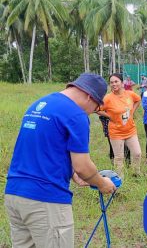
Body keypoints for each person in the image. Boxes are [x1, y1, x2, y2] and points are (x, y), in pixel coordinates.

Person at [4, 73, 116, 247]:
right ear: (89, 96)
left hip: (14, 194)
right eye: (95, 107)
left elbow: (43, 147)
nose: (92, 111)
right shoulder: (76, 115)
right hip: (45, 200)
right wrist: (102, 184)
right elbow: (83, 167)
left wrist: (70, 172)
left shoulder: (40, 104)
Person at [98, 73, 142, 177]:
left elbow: (138, 100)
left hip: (130, 130)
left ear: (122, 83)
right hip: (116, 132)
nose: (114, 84)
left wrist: (132, 112)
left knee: (137, 153)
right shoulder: (108, 98)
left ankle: (136, 173)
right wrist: (108, 115)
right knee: (119, 157)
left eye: (116, 81)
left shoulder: (130, 94)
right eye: (111, 82)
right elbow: (97, 109)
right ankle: (120, 180)